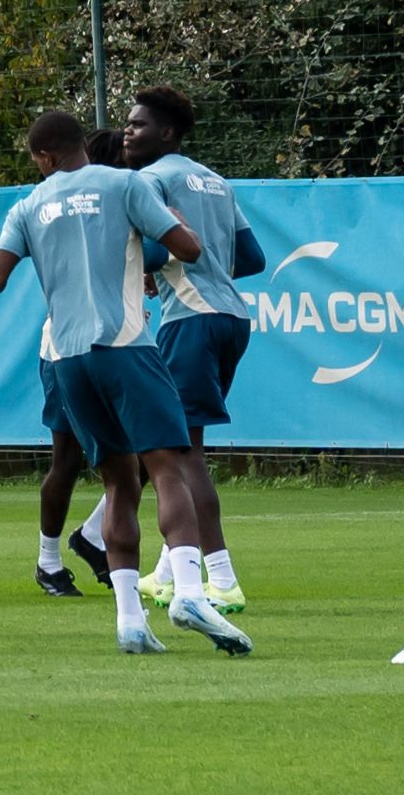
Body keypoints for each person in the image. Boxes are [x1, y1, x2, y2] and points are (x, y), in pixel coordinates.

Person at [0, 108, 245, 657]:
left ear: (45, 158)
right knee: (168, 465)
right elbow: (188, 250)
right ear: (79, 144)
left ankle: (129, 621)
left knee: (118, 481)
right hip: (126, 346)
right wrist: (168, 227)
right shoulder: (125, 183)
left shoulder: (27, 206)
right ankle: (191, 592)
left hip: (69, 360)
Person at [121, 88, 261, 616]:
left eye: (138, 124)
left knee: (181, 455)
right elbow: (251, 256)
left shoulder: (151, 180)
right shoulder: (216, 181)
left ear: (168, 133)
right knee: (180, 446)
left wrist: (160, 268)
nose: (128, 131)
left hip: (192, 320)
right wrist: (199, 269)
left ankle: (221, 578)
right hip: (232, 318)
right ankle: (164, 574)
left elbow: (155, 246)